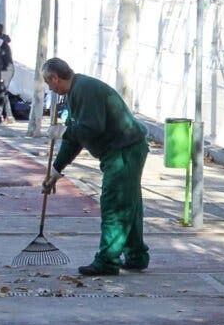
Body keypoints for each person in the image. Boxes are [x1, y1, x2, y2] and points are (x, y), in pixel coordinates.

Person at [40, 58, 150, 277]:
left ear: (54, 78)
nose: (49, 88)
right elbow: (75, 139)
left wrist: (63, 131)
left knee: (115, 205)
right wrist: (55, 170)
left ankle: (107, 261)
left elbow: (91, 129)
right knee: (129, 204)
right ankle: (136, 255)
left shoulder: (85, 89)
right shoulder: (74, 93)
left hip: (124, 151)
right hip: (122, 150)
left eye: (48, 82)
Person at [0, 23, 14, 121]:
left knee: (1, 92)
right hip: (8, 69)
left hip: (4, 70)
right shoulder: (2, 41)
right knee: (3, 92)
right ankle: (9, 116)